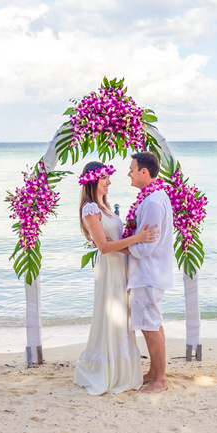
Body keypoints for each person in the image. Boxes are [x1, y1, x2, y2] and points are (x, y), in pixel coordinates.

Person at [73, 162, 159, 396]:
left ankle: (122, 368)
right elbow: (103, 247)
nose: (109, 182)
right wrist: (138, 237)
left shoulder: (105, 207)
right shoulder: (90, 208)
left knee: (123, 317)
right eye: (104, 179)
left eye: (108, 178)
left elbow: (113, 240)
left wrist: (135, 241)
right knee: (112, 316)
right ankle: (106, 369)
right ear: (93, 181)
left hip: (120, 268)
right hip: (109, 269)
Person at [123, 152, 175, 393]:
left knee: (150, 326)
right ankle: (155, 372)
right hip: (151, 273)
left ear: (145, 172)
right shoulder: (153, 197)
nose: (129, 173)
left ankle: (160, 380)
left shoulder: (153, 202)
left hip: (149, 272)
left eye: (132, 169)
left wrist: (117, 247)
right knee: (153, 324)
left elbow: (146, 247)